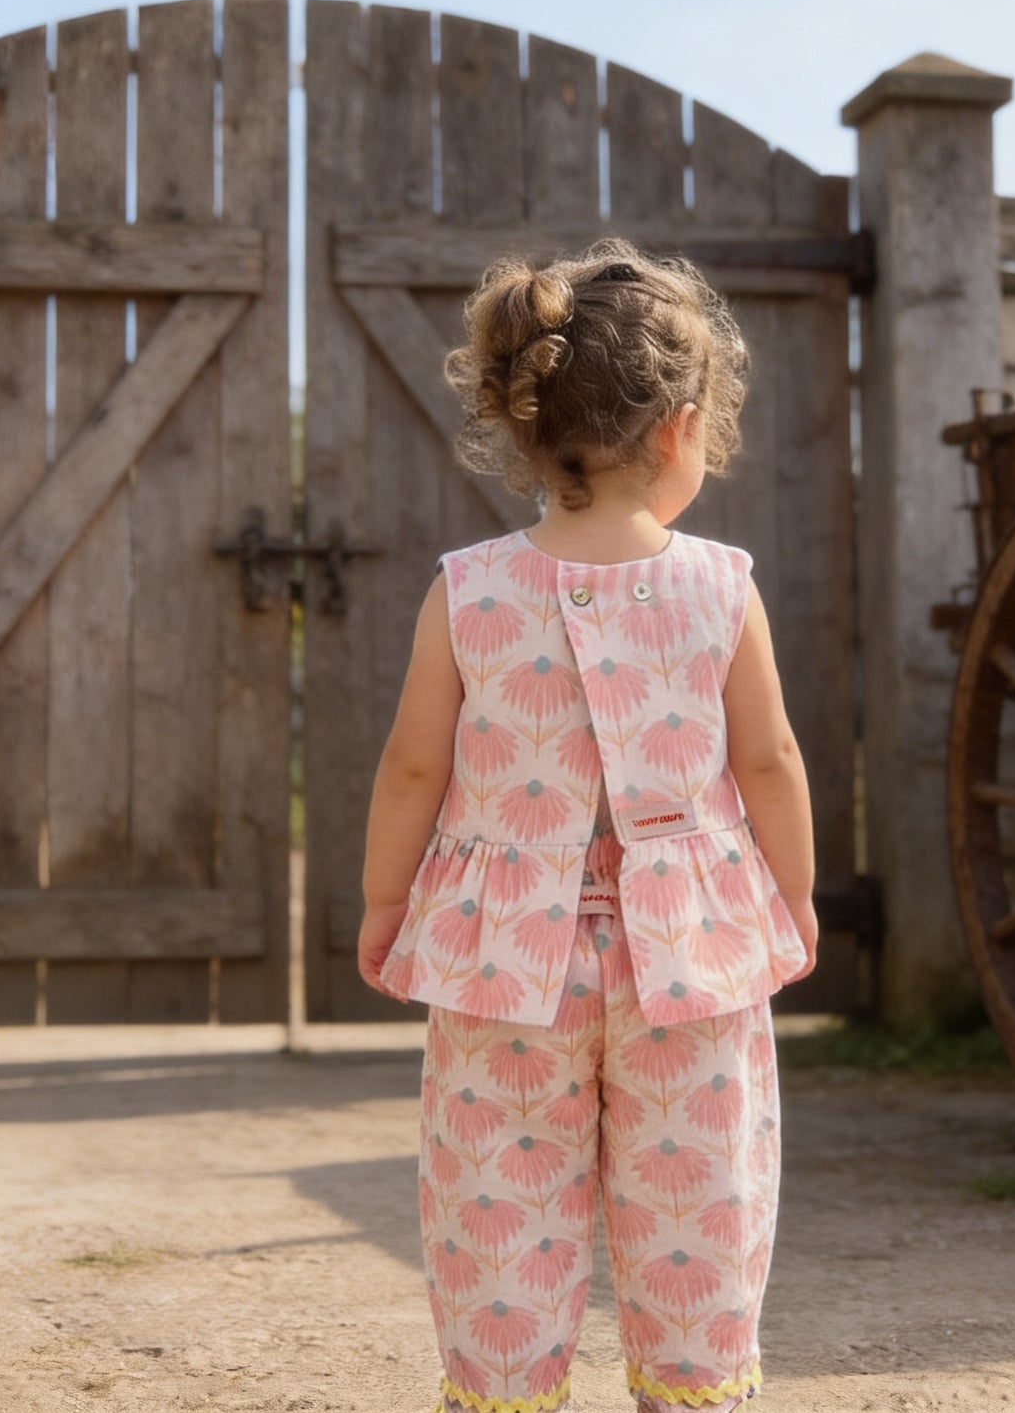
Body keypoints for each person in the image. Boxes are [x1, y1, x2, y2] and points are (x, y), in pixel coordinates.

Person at [356, 237, 819, 1413]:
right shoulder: (720, 585)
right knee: (699, 1198)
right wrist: (794, 895)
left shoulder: (468, 586)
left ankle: (506, 1387)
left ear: (527, 426)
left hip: (504, 957)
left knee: (496, 1197)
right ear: (678, 429)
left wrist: (382, 903)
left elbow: (414, 763)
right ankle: (695, 1389)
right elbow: (767, 758)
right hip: (691, 955)